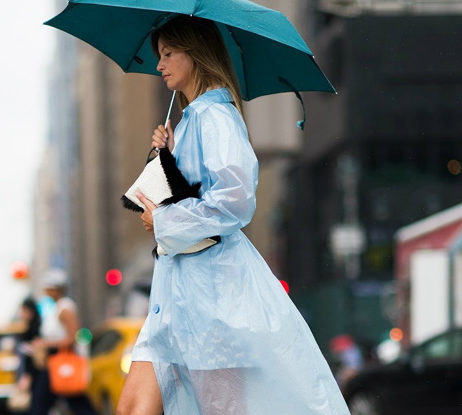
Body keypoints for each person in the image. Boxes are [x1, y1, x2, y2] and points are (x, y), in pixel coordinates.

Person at [116, 16, 350, 415]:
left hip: (214, 301)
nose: (160, 65)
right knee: (132, 408)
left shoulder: (216, 117)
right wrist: (168, 158)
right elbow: (193, 192)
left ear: (195, 54)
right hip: (175, 302)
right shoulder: (191, 121)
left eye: (168, 54)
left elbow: (235, 200)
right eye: (160, 56)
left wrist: (164, 222)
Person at [28, 269, 97, 415]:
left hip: (62, 360)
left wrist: (45, 344)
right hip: (54, 361)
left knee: (41, 401)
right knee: (73, 401)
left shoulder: (66, 308)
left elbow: (73, 338)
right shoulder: (56, 307)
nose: (45, 291)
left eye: (49, 288)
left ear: (57, 289)